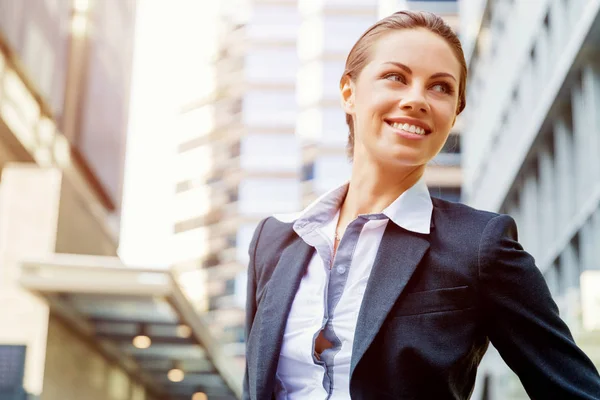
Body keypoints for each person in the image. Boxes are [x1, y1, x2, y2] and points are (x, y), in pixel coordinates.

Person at [243, 10, 600, 400]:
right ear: (349, 92)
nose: (416, 99)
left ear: (454, 114)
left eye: (441, 88)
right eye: (396, 77)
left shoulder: (481, 245)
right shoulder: (273, 242)